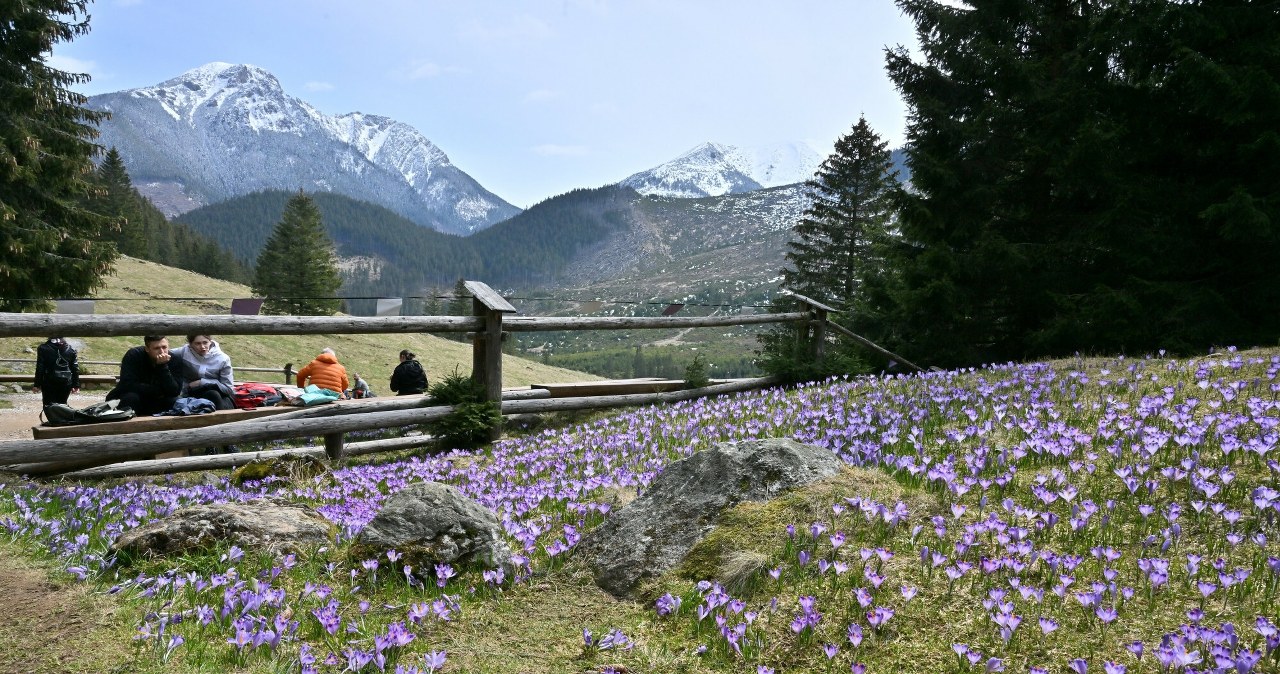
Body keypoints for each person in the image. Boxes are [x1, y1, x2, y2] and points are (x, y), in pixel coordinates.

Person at [105, 335, 181, 415]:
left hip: (156, 401)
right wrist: (158, 391)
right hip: (135, 398)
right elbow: (127, 384)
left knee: (175, 401)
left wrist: (162, 366)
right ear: (147, 349)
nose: (162, 352)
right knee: (131, 398)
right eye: (156, 348)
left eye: (164, 347)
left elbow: (175, 391)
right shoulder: (134, 355)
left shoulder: (174, 359)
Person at [170, 334, 235, 410]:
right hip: (189, 392)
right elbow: (164, 352)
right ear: (190, 344)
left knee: (213, 394)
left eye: (205, 342)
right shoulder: (183, 352)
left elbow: (228, 389)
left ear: (210, 342)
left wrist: (202, 382)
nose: (202, 347)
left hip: (216, 394)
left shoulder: (223, 359)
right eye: (197, 343)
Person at [33, 337, 80, 407]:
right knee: (62, 405)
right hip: (66, 381)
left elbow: (40, 367)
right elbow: (75, 368)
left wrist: (37, 384)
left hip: (49, 381)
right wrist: (76, 385)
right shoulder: (71, 348)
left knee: (48, 405)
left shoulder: (43, 348)